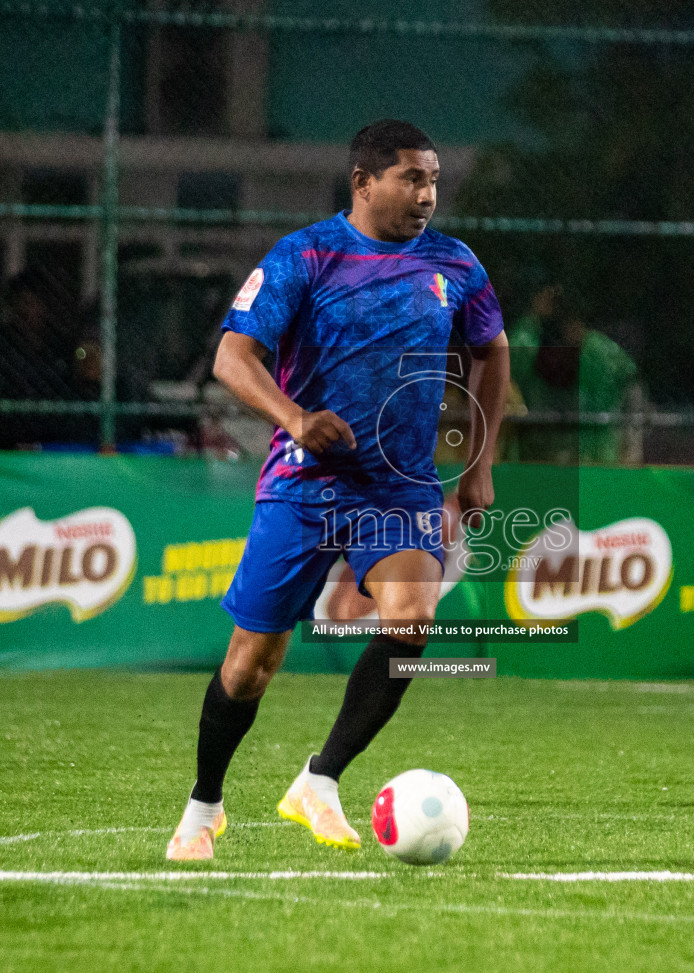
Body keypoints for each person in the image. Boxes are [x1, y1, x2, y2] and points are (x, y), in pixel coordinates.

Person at [165, 119, 509, 861]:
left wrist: (479, 463)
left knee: (411, 621)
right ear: (363, 181)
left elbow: (492, 349)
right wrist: (295, 417)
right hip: (304, 485)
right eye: (411, 179)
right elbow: (232, 356)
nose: (427, 195)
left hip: (401, 487)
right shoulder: (306, 255)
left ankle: (320, 781)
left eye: (434, 180)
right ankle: (204, 806)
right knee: (250, 663)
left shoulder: (455, 263)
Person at [507, 285, 639, 465]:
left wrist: (631, 453)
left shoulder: (603, 355)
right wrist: (533, 318)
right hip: (540, 462)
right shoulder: (531, 351)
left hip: (597, 463)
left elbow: (632, 399)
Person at [0, 272, 82, 450]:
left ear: (44, 307)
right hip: (3, 433)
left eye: (32, 303)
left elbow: (69, 390)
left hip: (50, 433)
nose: (25, 311)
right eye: (20, 302)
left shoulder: (58, 343)